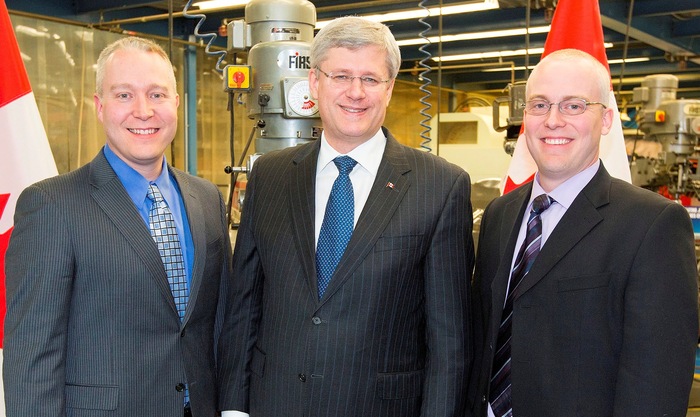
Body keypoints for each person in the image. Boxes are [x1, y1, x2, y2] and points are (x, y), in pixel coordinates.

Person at [217, 16, 474, 417]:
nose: (356, 92)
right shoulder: (270, 175)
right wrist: (234, 407)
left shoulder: (440, 187)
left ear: (389, 88)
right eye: (340, 75)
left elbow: (449, 340)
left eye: (371, 79)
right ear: (315, 83)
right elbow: (244, 306)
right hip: (275, 403)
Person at [4, 36, 233, 417]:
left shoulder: (206, 199)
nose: (143, 111)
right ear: (99, 106)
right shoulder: (51, 206)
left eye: (157, 94)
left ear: (177, 104)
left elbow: (220, 325)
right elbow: (33, 356)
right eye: (124, 95)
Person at [470, 48, 699, 417]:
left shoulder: (652, 224)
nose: (553, 120)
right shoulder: (500, 213)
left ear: (606, 119)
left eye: (574, 106)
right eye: (539, 105)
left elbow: (655, 381)